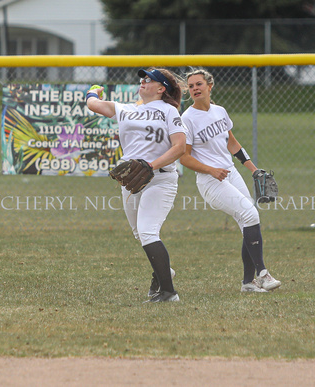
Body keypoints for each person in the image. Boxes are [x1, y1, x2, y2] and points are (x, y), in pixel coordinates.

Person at [86, 68, 187, 303]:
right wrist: (92, 91)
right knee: (139, 233)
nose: (143, 82)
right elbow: (94, 105)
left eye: (149, 80)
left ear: (161, 89)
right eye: (142, 79)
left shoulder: (169, 111)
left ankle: (168, 292)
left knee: (148, 231)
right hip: (132, 179)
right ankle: (164, 273)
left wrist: (151, 165)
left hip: (160, 179)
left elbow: (179, 147)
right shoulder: (127, 109)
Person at [180, 68, 281, 293]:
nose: (195, 88)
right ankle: (263, 274)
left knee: (248, 222)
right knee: (251, 214)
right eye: (191, 86)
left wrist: (254, 170)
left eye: (199, 84)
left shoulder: (220, 111)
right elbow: (183, 157)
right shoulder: (187, 118)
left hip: (230, 173)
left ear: (209, 86)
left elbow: (232, 144)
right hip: (210, 180)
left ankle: (248, 283)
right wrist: (210, 169)